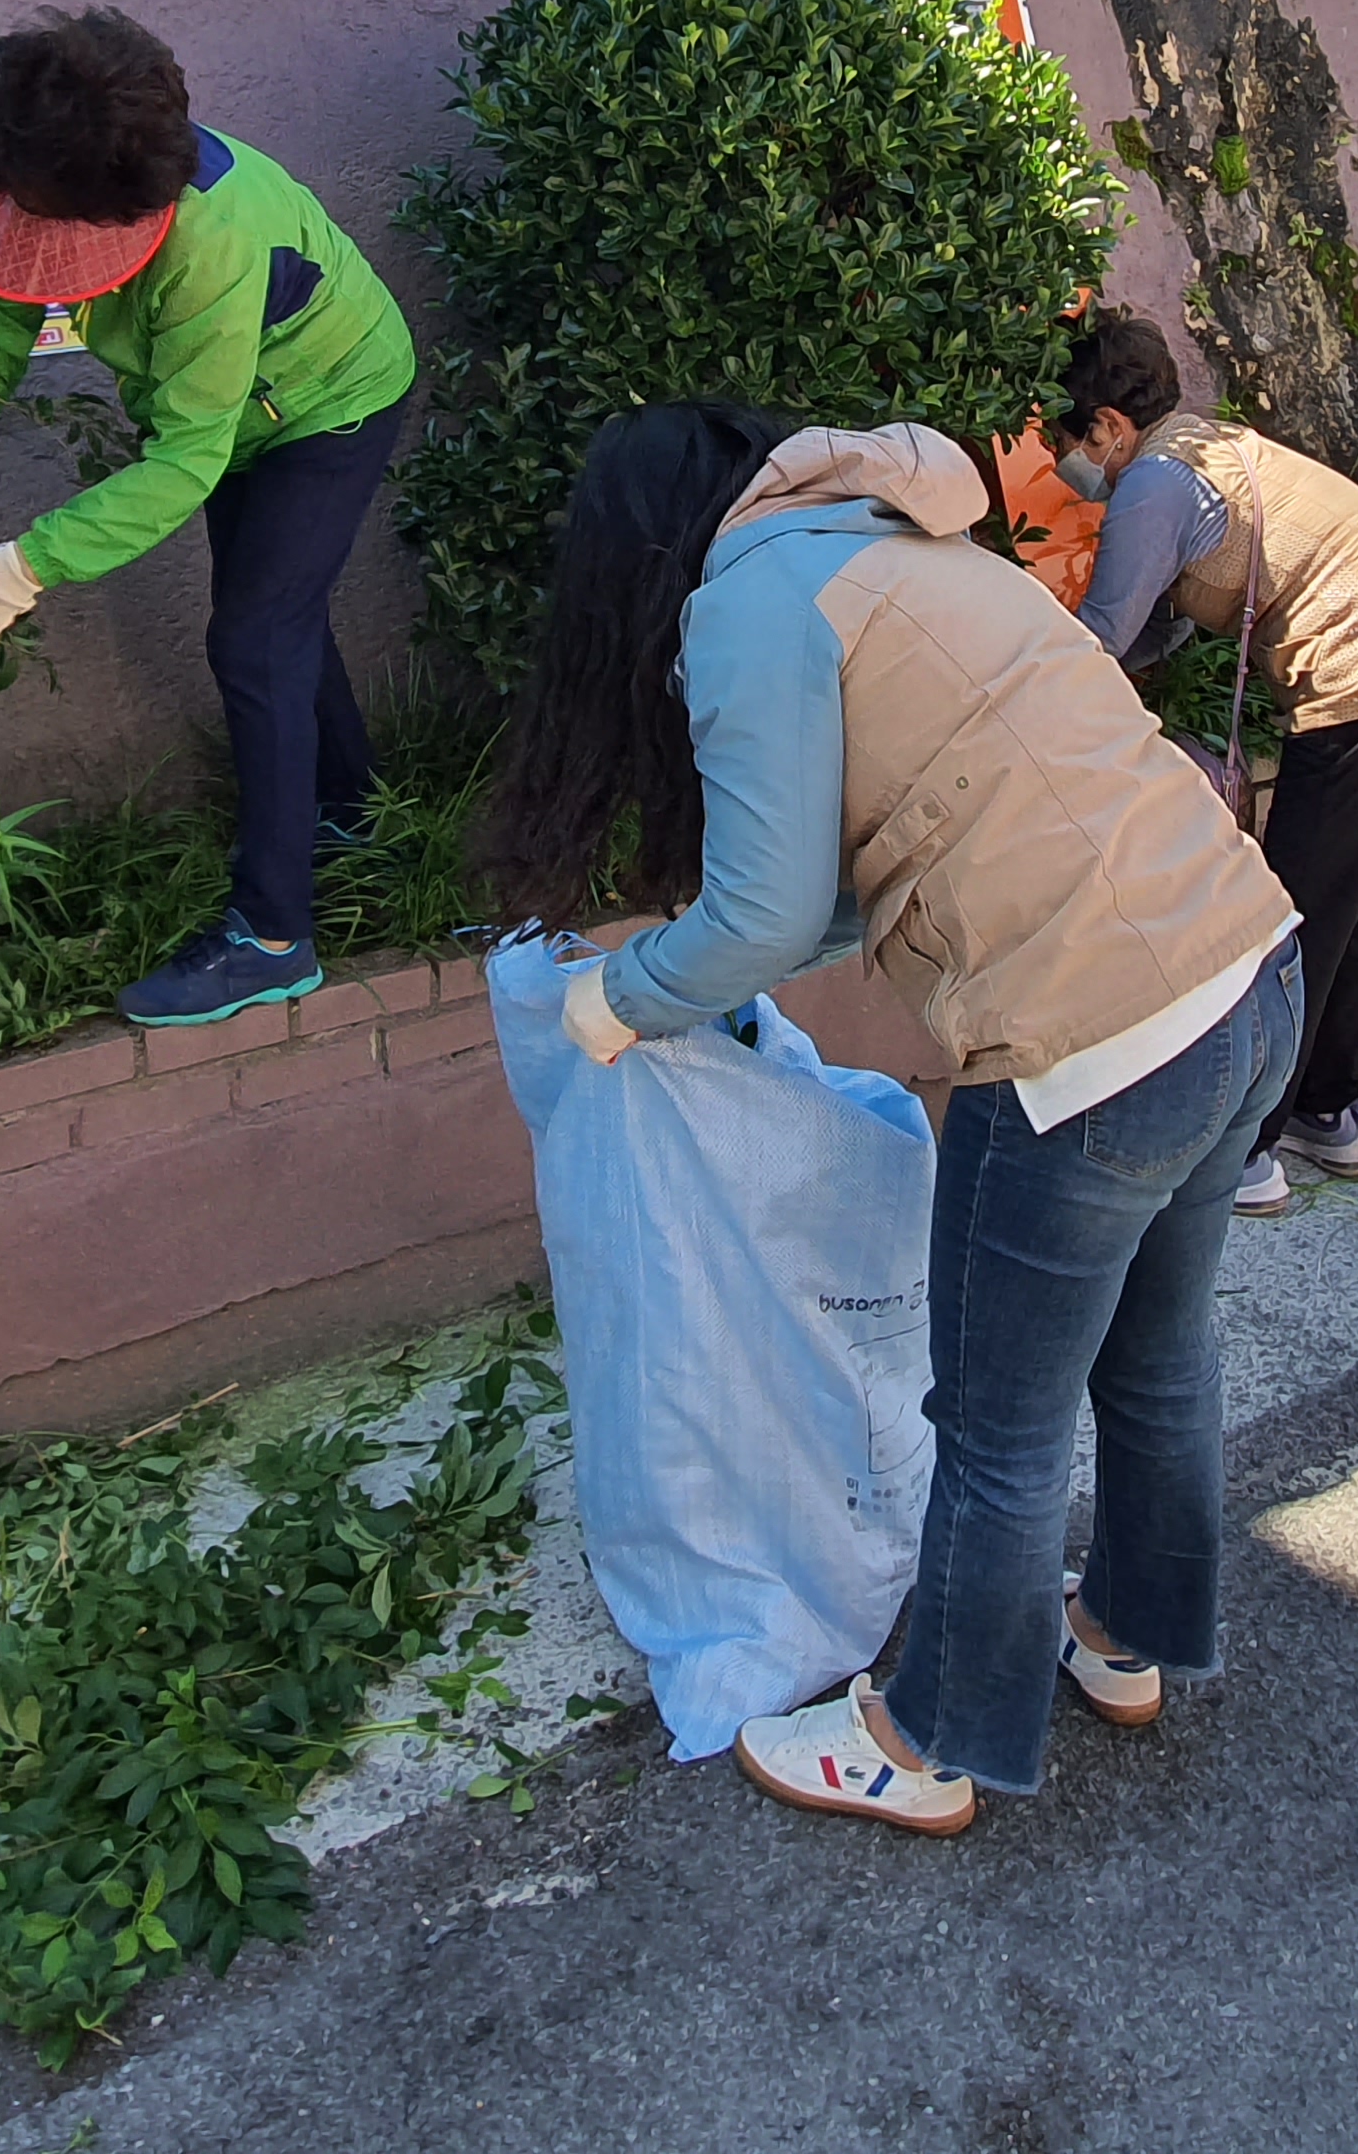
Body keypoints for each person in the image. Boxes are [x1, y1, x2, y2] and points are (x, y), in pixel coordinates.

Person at [475, 404, 1303, 1838]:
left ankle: (930, 1740)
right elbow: (869, 869)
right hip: (1249, 970)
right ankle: (1128, 1637)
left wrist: (618, 1000)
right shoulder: (917, 548)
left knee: (994, 1427)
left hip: (1091, 1045)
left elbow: (763, 912)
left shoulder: (748, 604)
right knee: (1158, 1354)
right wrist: (722, 965)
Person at [0, 11, 416, 1026]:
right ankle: (351, 813)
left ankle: (272, 939)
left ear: (114, 212)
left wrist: (24, 567)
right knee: (279, 614)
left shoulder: (213, 238)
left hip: (331, 403)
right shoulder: (39, 168)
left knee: (256, 635)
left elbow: (185, 459)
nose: (15, 225)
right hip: (229, 414)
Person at [1048, 307, 1358, 1213]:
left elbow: (1100, 639)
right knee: (1340, 896)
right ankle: (1329, 1111)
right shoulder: (1200, 447)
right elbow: (1162, 624)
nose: (1068, 465)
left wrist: (1022, 674)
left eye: (1072, 440)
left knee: (1287, 913)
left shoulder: (1155, 484)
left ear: (1111, 425)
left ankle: (1245, 1148)